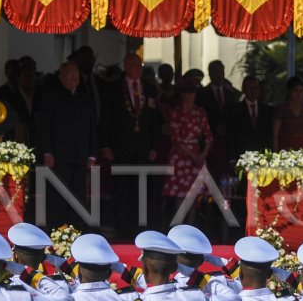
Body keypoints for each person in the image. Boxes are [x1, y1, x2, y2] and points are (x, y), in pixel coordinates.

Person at [102, 54, 163, 237]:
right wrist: (105, 145)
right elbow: (106, 118)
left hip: (143, 147)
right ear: (126, 66)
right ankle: (122, 229)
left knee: (141, 189)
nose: (138, 69)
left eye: (140, 65)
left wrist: (153, 146)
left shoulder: (150, 89)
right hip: (120, 146)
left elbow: (154, 120)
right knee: (122, 188)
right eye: (135, 65)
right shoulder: (113, 88)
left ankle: (141, 229)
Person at [34, 61, 98, 228]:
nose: (74, 77)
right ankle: (57, 229)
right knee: (58, 195)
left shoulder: (85, 97)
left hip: (80, 155)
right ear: (61, 76)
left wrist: (92, 154)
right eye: (70, 73)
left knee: (78, 196)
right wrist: (47, 152)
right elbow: (45, 126)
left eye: (76, 73)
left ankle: (76, 229)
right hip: (59, 156)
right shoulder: (51, 96)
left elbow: (92, 127)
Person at [162, 84, 213, 223]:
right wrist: (192, 156)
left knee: (194, 193)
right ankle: (178, 227)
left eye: (193, 93)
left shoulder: (200, 112)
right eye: (188, 93)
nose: (191, 96)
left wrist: (203, 154)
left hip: (197, 154)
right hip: (181, 156)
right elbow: (176, 139)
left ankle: (190, 228)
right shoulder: (176, 113)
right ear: (182, 95)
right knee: (180, 193)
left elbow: (208, 136)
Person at [196, 59, 239, 181]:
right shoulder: (202, 94)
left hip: (227, 141)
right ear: (210, 73)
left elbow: (233, 116)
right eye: (216, 72)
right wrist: (214, 128)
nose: (219, 74)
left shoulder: (230, 94)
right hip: (210, 141)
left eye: (221, 71)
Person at [227, 75, 273, 161]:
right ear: (244, 89)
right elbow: (231, 136)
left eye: (256, 88)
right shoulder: (235, 110)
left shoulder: (267, 110)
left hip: (262, 156)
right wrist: (232, 158)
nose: (253, 91)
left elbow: (269, 136)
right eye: (250, 88)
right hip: (242, 156)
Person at [273, 77, 303, 151]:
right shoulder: (281, 109)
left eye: (301, 91)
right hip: (286, 149)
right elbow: (275, 135)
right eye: (295, 91)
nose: (298, 94)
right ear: (289, 91)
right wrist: (275, 153)